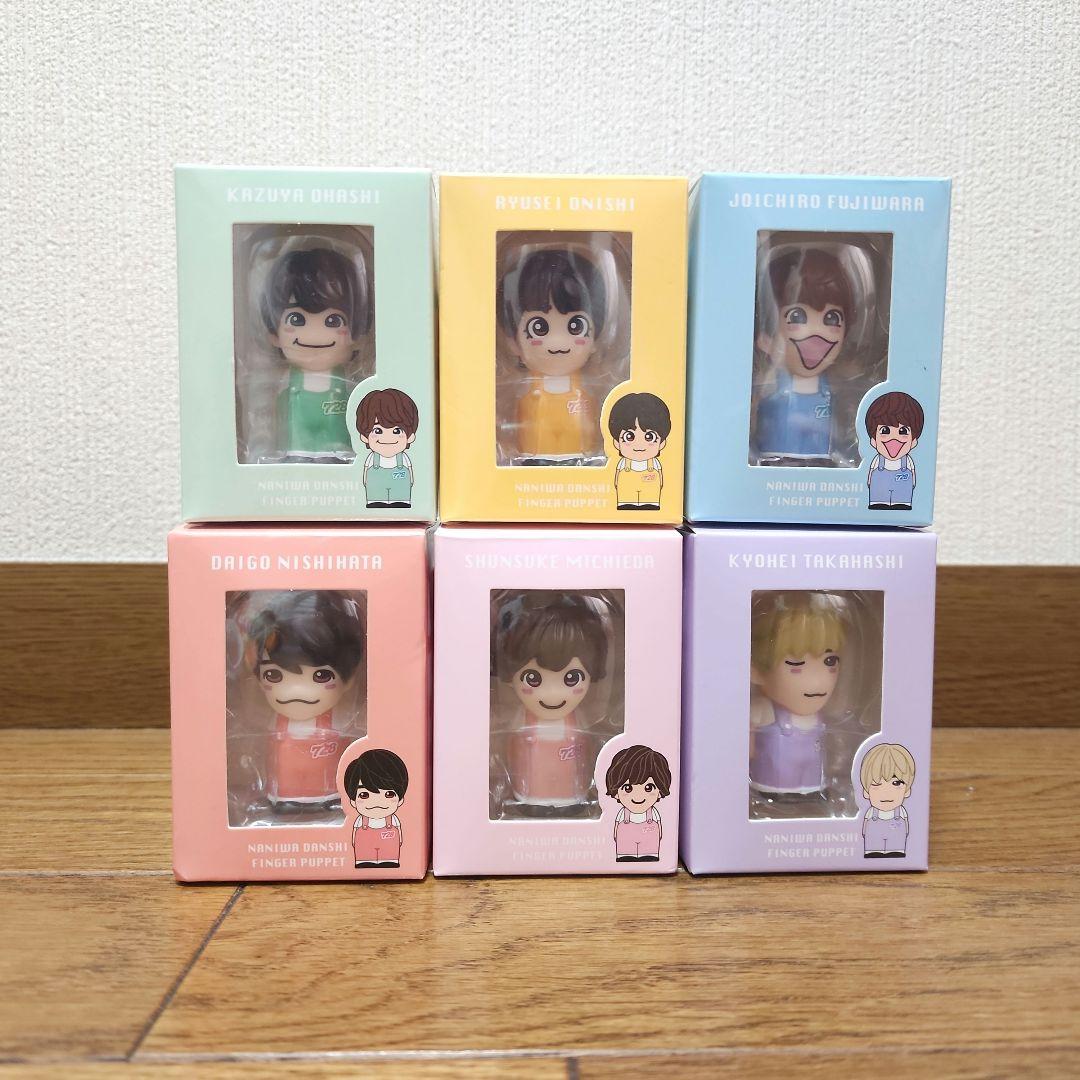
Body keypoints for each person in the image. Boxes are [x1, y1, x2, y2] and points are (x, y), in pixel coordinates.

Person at [247, 591, 365, 810]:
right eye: (274, 675)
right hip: (284, 792)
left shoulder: (338, 720)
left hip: (329, 791)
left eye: (321, 676)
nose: (296, 691)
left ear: (348, 680)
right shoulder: (276, 722)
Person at [494, 592, 609, 810]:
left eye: (572, 678)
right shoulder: (521, 720)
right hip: (529, 792)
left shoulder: (578, 721)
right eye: (533, 678)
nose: (552, 693)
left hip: (571, 793)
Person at [260, 247, 370, 461]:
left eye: (333, 321)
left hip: (338, 452)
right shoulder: (287, 380)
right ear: (274, 335)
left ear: (357, 335)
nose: (314, 333)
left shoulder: (347, 383)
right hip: (296, 449)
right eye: (296, 319)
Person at [498, 249, 607, 463]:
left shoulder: (586, 393)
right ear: (514, 343)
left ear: (596, 339)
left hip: (579, 457)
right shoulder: (525, 393)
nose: (557, 342)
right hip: (534, 456)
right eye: (539, 328)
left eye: (576, 326)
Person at [753, 248, 853, 462]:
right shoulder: (773, 383)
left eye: (832, 318)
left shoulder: (830, 388)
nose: (816, 333)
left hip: (822, 460)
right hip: (774, 458)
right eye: (797, 317)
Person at [749, 593, 847, 796]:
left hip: (813, 787)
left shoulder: (820, 716)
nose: (817, 680)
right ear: (756, 671)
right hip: (772, 786)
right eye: (795, 663)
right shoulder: (764, 710)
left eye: (830, 661)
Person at [604, 744, 671, 862]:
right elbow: (616, 827)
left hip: (650, 844)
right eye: (628, 788)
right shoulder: (622, 813)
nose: (638, 796)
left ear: (660, 791)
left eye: (649, 788)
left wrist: (660, 837)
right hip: (625, 844)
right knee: (625, 856)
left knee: (649, 856)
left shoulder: (654, 813)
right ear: (616, 792)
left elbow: (660, 828)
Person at [344, 748, 409, 868]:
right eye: (364, 795)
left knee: (389, 860)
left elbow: (399, 831)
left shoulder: (393, 820)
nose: (376, 802)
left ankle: (389, 860)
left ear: (400, 800)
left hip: (390, 850)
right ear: (353, 801)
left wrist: (400, 841)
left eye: (388, 794)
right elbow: (354, 833)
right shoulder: (360, 820)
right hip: (364, 850)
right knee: (364, 860)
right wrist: (353, 843)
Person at [355, 388, 419, 507]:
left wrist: (410, 483)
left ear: (410, 437)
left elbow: (410, 472)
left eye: (397, 431)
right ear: (364, 437)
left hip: (401, 493)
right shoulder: (371, 458)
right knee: (376, 504)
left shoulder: (403, 458)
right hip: (375, 493)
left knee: (400, 504)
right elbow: (365, 473)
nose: (387, 438)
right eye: (377, 430)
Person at [608, 392, 670, 510]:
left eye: (649, 437)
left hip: (651, 495)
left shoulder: (655, 463)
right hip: (626, 494)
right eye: (629, 436)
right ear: (616, 442)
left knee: (650, 504)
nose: (639, 445)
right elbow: (616, 478)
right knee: (626, 504)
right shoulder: (623, 463)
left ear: (662, 443)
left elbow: (661, 478)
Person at [865, 392, 924, 510]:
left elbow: (912, 472)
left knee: (902, 502)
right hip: (879, 488)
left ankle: (902, 503)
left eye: (903, 431)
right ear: (873, 440)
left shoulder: (908, 461)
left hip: (902, 488)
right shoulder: (877, 460)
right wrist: (870, 481)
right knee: (878, 502)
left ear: (913, 441)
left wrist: (913, 483)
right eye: (885, 430)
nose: (894, 438)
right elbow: (871, 471)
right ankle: (878, 502)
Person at [859, 743, 915, 858]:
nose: (886, 792)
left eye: (896, 783)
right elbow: (865, 828)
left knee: (896, 851)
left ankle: (896, 850)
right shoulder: (870, 813)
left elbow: (906, 827)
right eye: (876, 784)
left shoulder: (901, 812)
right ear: (866, 792)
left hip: (897, 841)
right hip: (873, 841)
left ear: (907, 790)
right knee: (873, 851)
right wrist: (864, 834)